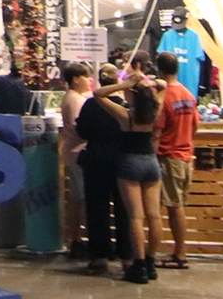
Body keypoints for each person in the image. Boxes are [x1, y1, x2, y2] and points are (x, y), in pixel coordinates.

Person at [91, 72, 164, 284]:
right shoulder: (154, 111)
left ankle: (139, 265)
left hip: (130, 162)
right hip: (151, 161)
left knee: (135, 216)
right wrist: (149, 81)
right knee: (155, 215)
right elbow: (163, 85)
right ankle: (151, 262)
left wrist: (124, 83)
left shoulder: (125, 115)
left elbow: (98, 94)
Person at [76, 63, 133, 273]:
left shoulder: (91, 105)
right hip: (121, 163)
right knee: (124, 211)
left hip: (95, 162)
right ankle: (127, 256)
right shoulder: (125, 107)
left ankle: (100, 256)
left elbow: (82, 131)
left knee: (97, 210)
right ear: (117, 82)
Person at [154, 51, 198, 269]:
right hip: (186, 155)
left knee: (173, 206)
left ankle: (180, 253)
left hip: (169, 156)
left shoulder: (164, 97)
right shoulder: (188, 95)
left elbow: (157, 130)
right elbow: (195, 126)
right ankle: (179, 251)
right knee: (176, 204)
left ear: (159, 70)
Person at [59, 63, 91, 257]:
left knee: (76, 198)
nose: (89, 81)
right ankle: (77, 238)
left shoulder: (74, 98)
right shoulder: (75, 100)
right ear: (76, 79)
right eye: (86, 77)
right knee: (80, 197)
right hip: (78, 152)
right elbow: (82, 128)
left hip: (73, 152)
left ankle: (75, 237)